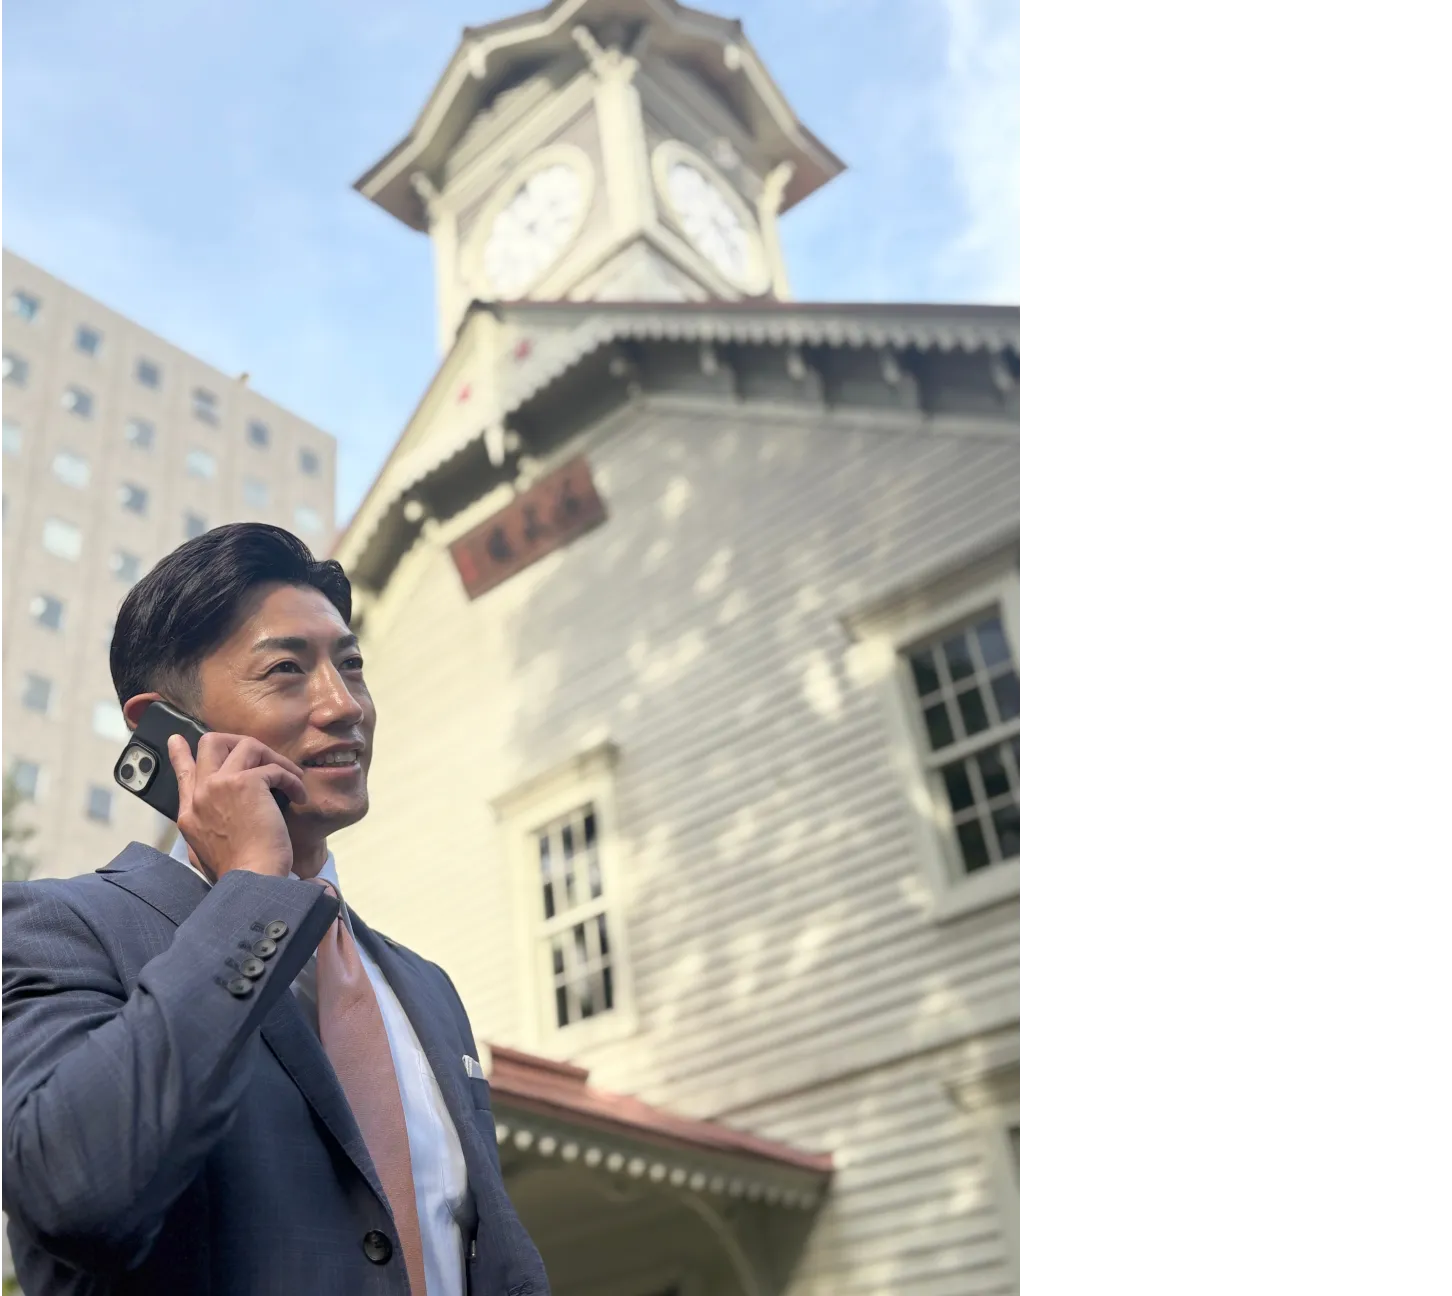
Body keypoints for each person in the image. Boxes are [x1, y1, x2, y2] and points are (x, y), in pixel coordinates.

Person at [0, 524, 549, 1296]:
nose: (344, 704)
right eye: (286, 670)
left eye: (351, 665)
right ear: (165, 728)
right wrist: (256, 886)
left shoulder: (427, 989)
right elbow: (75, 1192)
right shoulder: (52, 930)